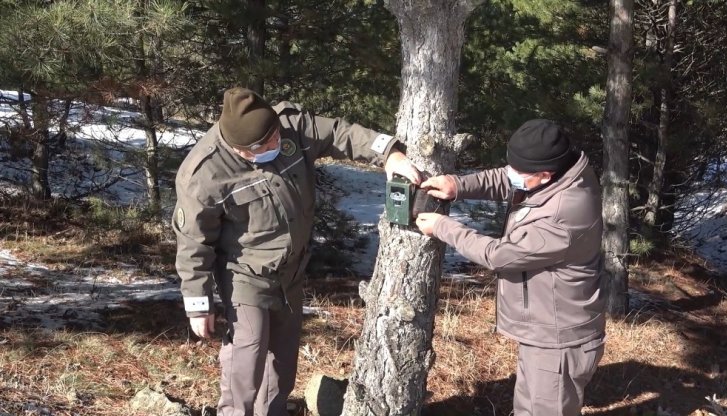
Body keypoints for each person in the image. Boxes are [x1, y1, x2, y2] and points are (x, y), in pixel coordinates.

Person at [172, 87, 420, 416]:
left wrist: (389, 152)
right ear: (240, 149)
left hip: (291, 274)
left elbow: (339, 133)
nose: (276, 145)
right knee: (247, 355)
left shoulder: (289, 127)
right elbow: (193, 244)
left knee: (283, 362)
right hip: (246, 276)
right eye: (264, 145)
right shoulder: (204, 174)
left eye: (275, 136)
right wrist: (198, 304)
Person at [415, 119, 606, 416]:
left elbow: (499, 255)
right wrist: (458, 185)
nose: (511, 176)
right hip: (543, 331)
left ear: (545, 175)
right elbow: (506, 179)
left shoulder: (565, 213)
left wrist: (444, 227)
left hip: (559, 340)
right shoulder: (560, 172)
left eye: (520, 173)